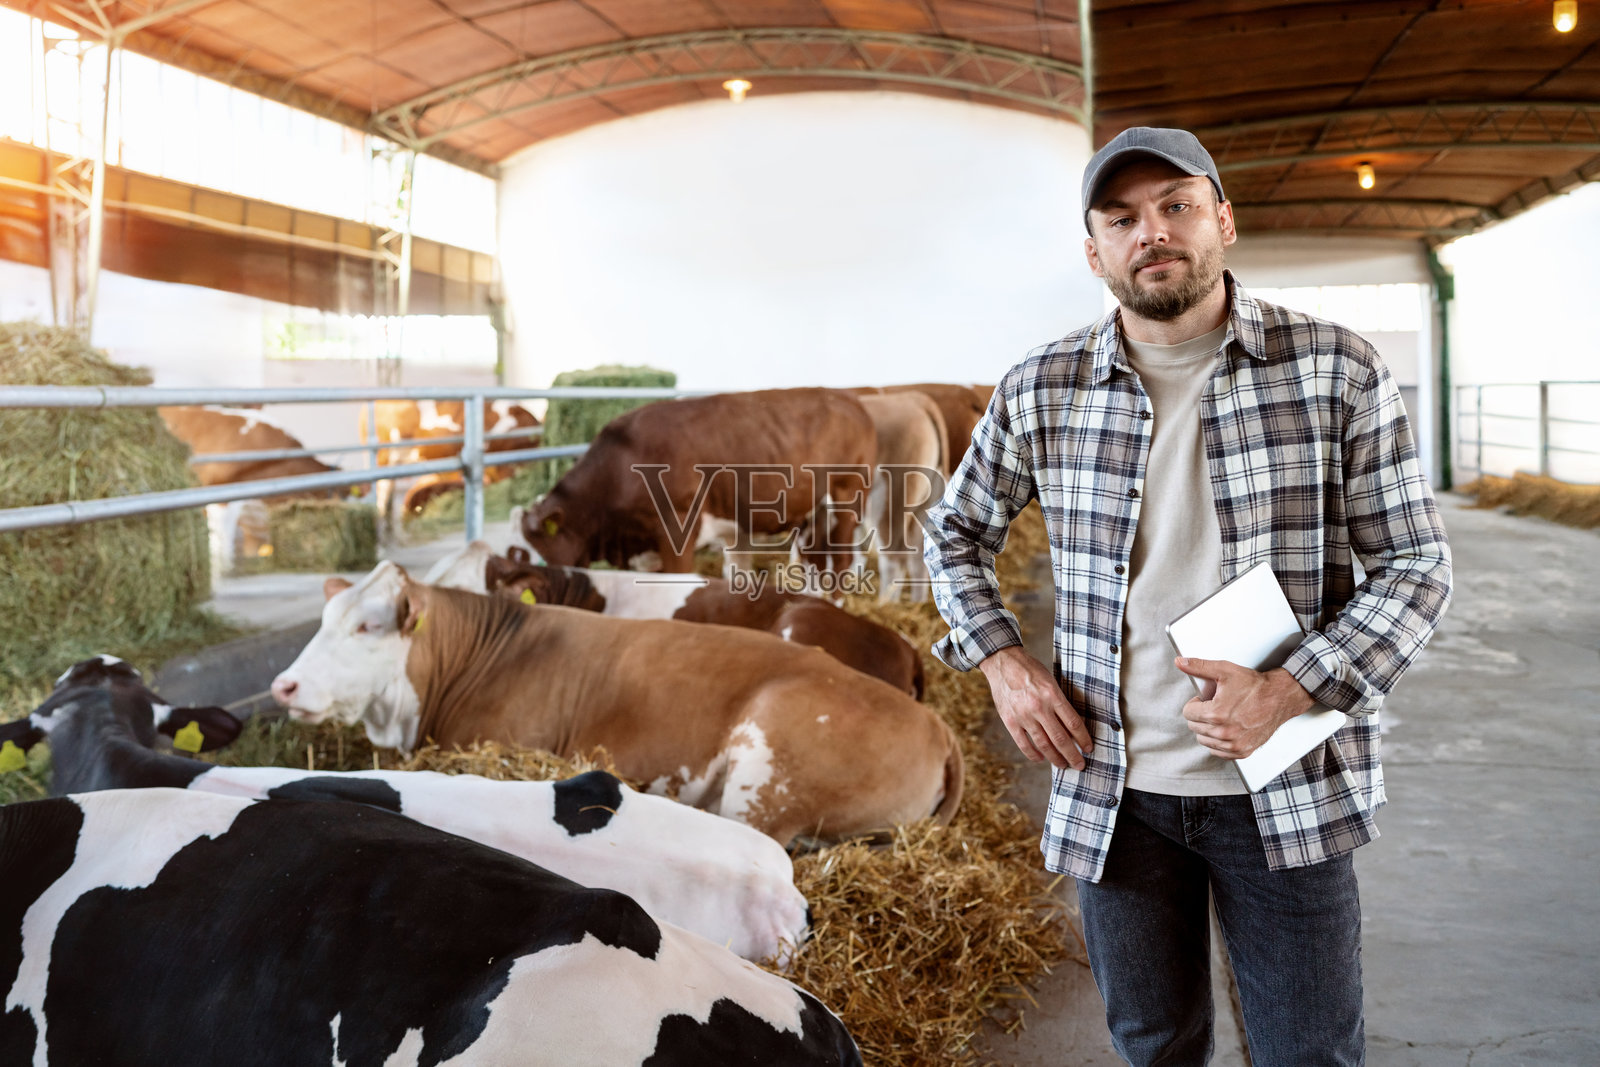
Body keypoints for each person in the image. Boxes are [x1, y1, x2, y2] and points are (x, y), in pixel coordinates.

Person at [922, 126, 1452, 1066]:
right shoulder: (1041, 387)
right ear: (1095, 252)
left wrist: (1294, 685)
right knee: (1154, 1045)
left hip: (1286, 784)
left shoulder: (1337, 368)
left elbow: (1417, 565)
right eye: (1122, 219)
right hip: (1112, 790)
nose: (1151, 232)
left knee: (1309, 1052)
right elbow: (952, 531)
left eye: (1176, 206)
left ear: (1223, 220)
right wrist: (1002, 662)